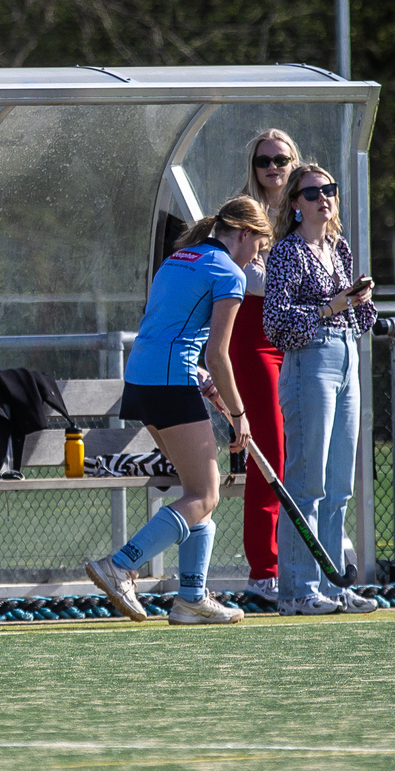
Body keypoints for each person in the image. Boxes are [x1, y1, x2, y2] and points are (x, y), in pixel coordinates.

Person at [85, 196, 271, 626]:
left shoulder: (179, 258)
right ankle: (122, 565)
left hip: (144, 381)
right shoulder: (228, 272)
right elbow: (218, 352)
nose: (256, 257)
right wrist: (239, 414)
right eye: (258, 247)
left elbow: (171, 330)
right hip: (170, 385)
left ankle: (190, 598)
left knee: (196, 493)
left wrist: (204, 381)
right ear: (244, 234)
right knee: (205, 494)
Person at [263, 161, 377, 613]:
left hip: (346, 355)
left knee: (338, 485)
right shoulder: (288, 252)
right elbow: (276, 324)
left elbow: (360, 319)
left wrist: (361, 300)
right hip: (311, 361)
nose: (323, 198)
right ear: (295, 204)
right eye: (311, 193)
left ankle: (331, 586)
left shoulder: (340, 247)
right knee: (307, 482)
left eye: (328, 189)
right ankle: (297, 590)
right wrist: (330, 309)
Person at [231, 128, 300, 610]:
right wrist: (295, 279)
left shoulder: (309, 209)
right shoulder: (243, 212)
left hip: (299, 339)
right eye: (263, 160)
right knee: (269, 450)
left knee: (308, 451)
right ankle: (265, 568)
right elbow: (245, 275)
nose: (273, 167)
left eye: (281, 159)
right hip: (254, 341)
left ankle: (307, 558)